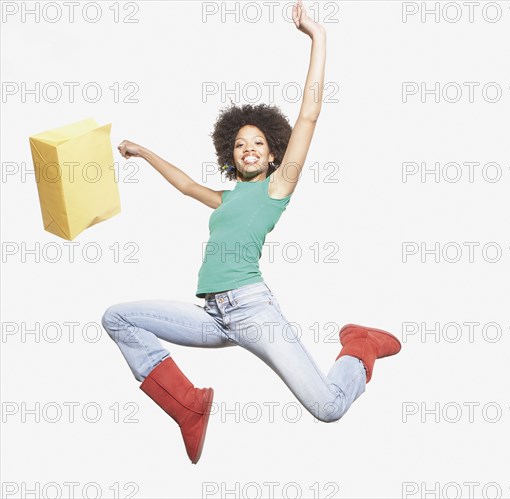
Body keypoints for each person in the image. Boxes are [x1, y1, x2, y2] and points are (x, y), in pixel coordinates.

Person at [101, 0, 401, 465]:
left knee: (327, 407)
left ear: (273, 154)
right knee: (117, 318)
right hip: (213, 314)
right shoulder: (225, 198)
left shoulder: (277, 189)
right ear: (230, 153)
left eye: (258, 143)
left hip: (252, 310)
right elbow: (184, 185)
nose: (249, 148)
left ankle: (359, 347)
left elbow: (309, 115)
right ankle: (188, 405)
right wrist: (142, 151)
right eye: (240, 144)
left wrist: (317, 36)